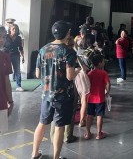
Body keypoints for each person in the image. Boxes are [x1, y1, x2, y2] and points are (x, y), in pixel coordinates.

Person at [32, 21, 78, 159]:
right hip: (63, 96)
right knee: (59, 126)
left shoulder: (43, 49)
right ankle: (56, 157)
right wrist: (78, 70)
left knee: (42, 123)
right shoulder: (68, 52)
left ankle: (34, 153)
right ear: (68, 33)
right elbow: (70, 76)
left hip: (46, 95)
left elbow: (38, 74)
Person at [85, 53, 110, 140]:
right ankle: (99, 134)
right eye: (103, 61)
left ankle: (88, 133)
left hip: (90, 97)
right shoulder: (104, 73)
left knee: (89, 115)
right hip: (100, 98)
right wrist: (107, 92)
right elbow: (108, 84)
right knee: (99, 116)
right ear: (99, 63)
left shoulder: (90, 73)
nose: (104, 63)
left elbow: (87, 84)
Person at [0, 26, 13, 134]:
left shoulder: (5, 57)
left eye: (4, 37)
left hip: (1, 101)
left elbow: (6, 81)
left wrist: (10, 101)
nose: (1, 40)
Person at [4, 24, 25, 91]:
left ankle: (18, 86)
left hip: (16, 55)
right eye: (13, 29)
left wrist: (23, 57)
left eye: (16, 29)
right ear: (10, 29)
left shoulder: (18, 38)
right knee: (5, 70)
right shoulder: (6, 37)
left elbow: (21, 48)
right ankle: (4, 85)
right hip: (6, 55)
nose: (15, 30)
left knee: (17, 71)